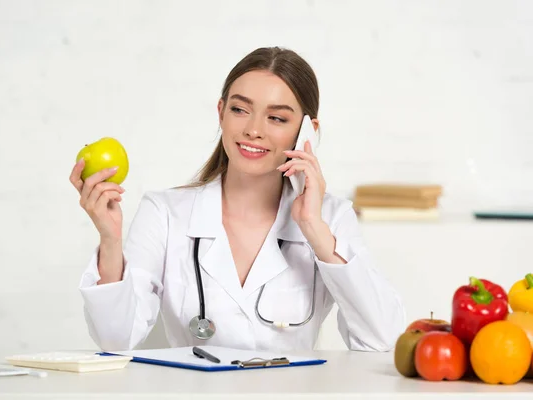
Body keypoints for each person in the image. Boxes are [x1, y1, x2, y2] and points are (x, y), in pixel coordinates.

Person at [69, 46, 406, 353]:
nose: (253, 130)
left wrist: (314, 229)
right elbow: (115, 341)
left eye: (276, 118)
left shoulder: (330, 218)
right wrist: (110, 240)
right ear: (221, 112)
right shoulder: (164, 213)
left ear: (307, 131)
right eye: (241, 110)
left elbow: (383, 340)